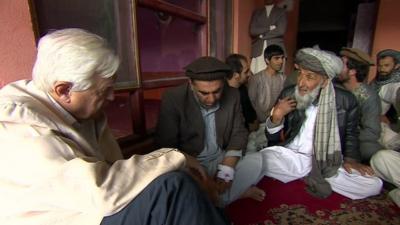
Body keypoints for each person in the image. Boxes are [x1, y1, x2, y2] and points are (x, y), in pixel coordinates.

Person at [0, 28, 229, 225]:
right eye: (102, 91)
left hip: (92, 205)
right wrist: (173, 157)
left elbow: (113, 164)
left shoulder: (82, 110)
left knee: (184, 181)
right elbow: (100, 193)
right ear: (64, 90)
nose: (111, 97)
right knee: (172, 188)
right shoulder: (23, 131)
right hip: (73, 215)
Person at [259, 47, 382, 199]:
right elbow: (273, 140)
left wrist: (351, 160)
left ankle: (307, 177)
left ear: (325, 81)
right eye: (300, 74)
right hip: (290, 156)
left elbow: (351, 134)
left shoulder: (346, 100)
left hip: (326, 161)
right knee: (256, 160)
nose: (301, 83)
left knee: (374, 184)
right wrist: (276, 116)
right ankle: (306, 176)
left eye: (309, 77)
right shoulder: (289, 94)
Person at [155, 56, 266, 206]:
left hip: (221, 157)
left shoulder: (233, 94)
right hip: (190, 162)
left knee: (258, 160)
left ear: (224, 84)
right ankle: (233, 194)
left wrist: (226, 170)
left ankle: (215, 198)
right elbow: (166, 147)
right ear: (191, 84)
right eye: (204, 93)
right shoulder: (174, 98)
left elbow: (239, 133)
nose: (211, 99)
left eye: (217, 91)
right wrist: (200, 174)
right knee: (174, 184)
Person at [336, 47, 384, 163]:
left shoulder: (368, 96)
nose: (336, 68)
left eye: (341, 65)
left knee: (374, 152)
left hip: (355, 140)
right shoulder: (335, 88)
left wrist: (347, 139)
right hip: (331, 135)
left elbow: (371, 132)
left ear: (352, 71)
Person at [247, 44, 286, 152]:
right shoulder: (256, 79)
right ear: (267, 60)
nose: (281, 61)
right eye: (277, 58)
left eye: (282, 58)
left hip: (278, 122)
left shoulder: (283, 78)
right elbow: (251, 103)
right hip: (259, 124)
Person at [249, 0, 287, 74]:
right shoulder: (257, 12)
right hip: (258, 50)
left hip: (276, 48)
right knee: (258, 76)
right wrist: (269, 28)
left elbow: (280, 30)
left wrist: (262, 36)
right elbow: (253, 31)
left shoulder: (281, 11)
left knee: (276, 77)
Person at [373, 49, 400, 150]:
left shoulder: (395, 86)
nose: (382, 69)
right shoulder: (378, 81)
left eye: (386, 65)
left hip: (391, 132)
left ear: (397, 66)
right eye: (380, 66)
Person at [225, 54, 258, 132]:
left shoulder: (242, 89)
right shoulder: (224, 94)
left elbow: (252, 117)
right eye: (246, 72)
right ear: (236, 75)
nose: (249, 74)